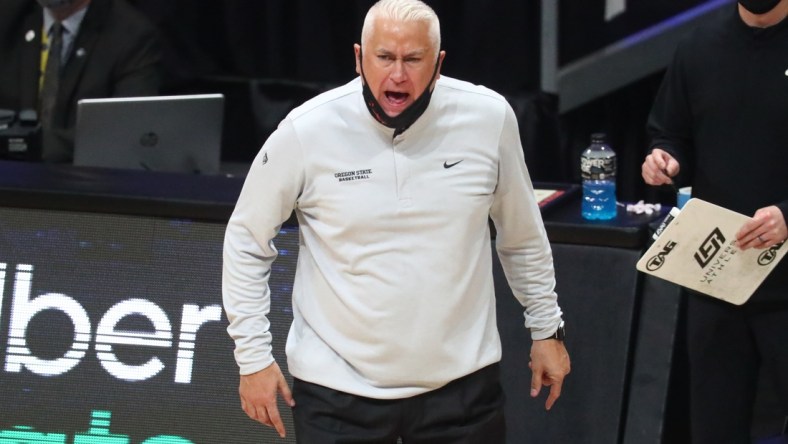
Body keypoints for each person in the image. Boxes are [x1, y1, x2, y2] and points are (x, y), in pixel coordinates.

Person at [222, 0, 570, 441]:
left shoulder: (489, 118)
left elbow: (521, 235)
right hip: (337, 394)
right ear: (358, 58)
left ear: (439, 63)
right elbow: (246, 240)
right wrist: (252, 357)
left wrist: (547, 328)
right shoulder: (306, 130)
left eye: (413, 60)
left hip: (462, 389)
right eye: (384, 57)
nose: (398, 75)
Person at [642, 1, 788, 442]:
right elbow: (671, 132)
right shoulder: (698, 47)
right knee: (713, 428)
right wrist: (666, 160)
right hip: (717, 275)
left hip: (787, 281)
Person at [0, 0, 161, 163]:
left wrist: (26, 145)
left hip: (86, 179)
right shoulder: (9, 17)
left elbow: (126, 130)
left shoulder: (130, 34)